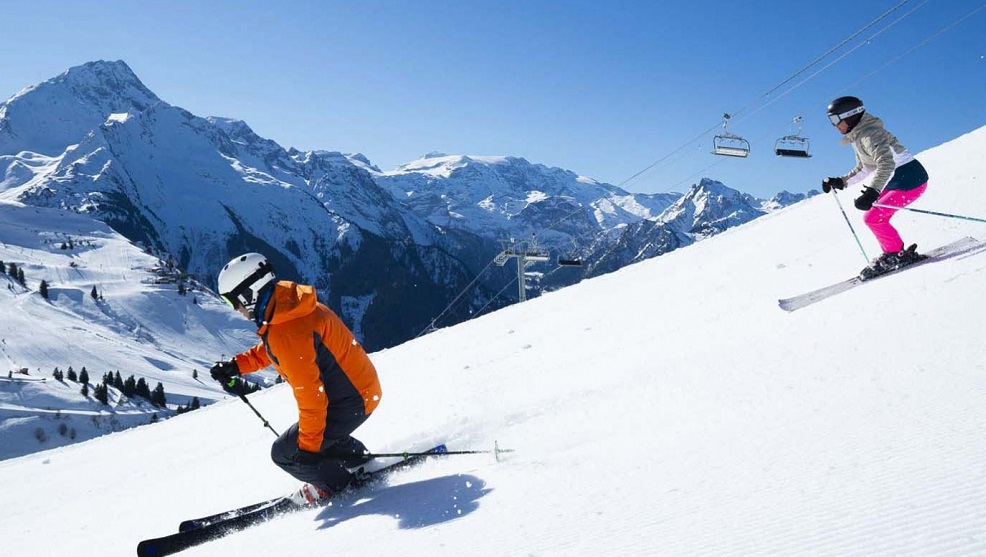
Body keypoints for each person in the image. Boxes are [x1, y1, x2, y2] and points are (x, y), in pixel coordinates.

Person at [209, 253, 382, 505]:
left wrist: (308, 450)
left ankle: (337, 486)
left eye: (232, 301)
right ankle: (358, 461)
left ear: (249, 294)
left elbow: (312, 396)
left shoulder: (285, 329)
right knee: (312, 438)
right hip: (359, 389)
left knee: (285, 453)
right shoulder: (286, 307)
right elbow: (280, 348)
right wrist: (238, 365)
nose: (235, 309)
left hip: (351, 400)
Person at [821, 96, 930, 279]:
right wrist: (841, 181)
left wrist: (872, 192)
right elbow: (864, 168)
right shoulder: (859, 137)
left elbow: (886, 164)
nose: (834, 125)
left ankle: (894, 255)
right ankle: (895, 253)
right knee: (874, 217)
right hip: (899, 178)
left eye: (835, 119)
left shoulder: (870, 135)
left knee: (873, 217)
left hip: (910, 178)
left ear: (849, 116)